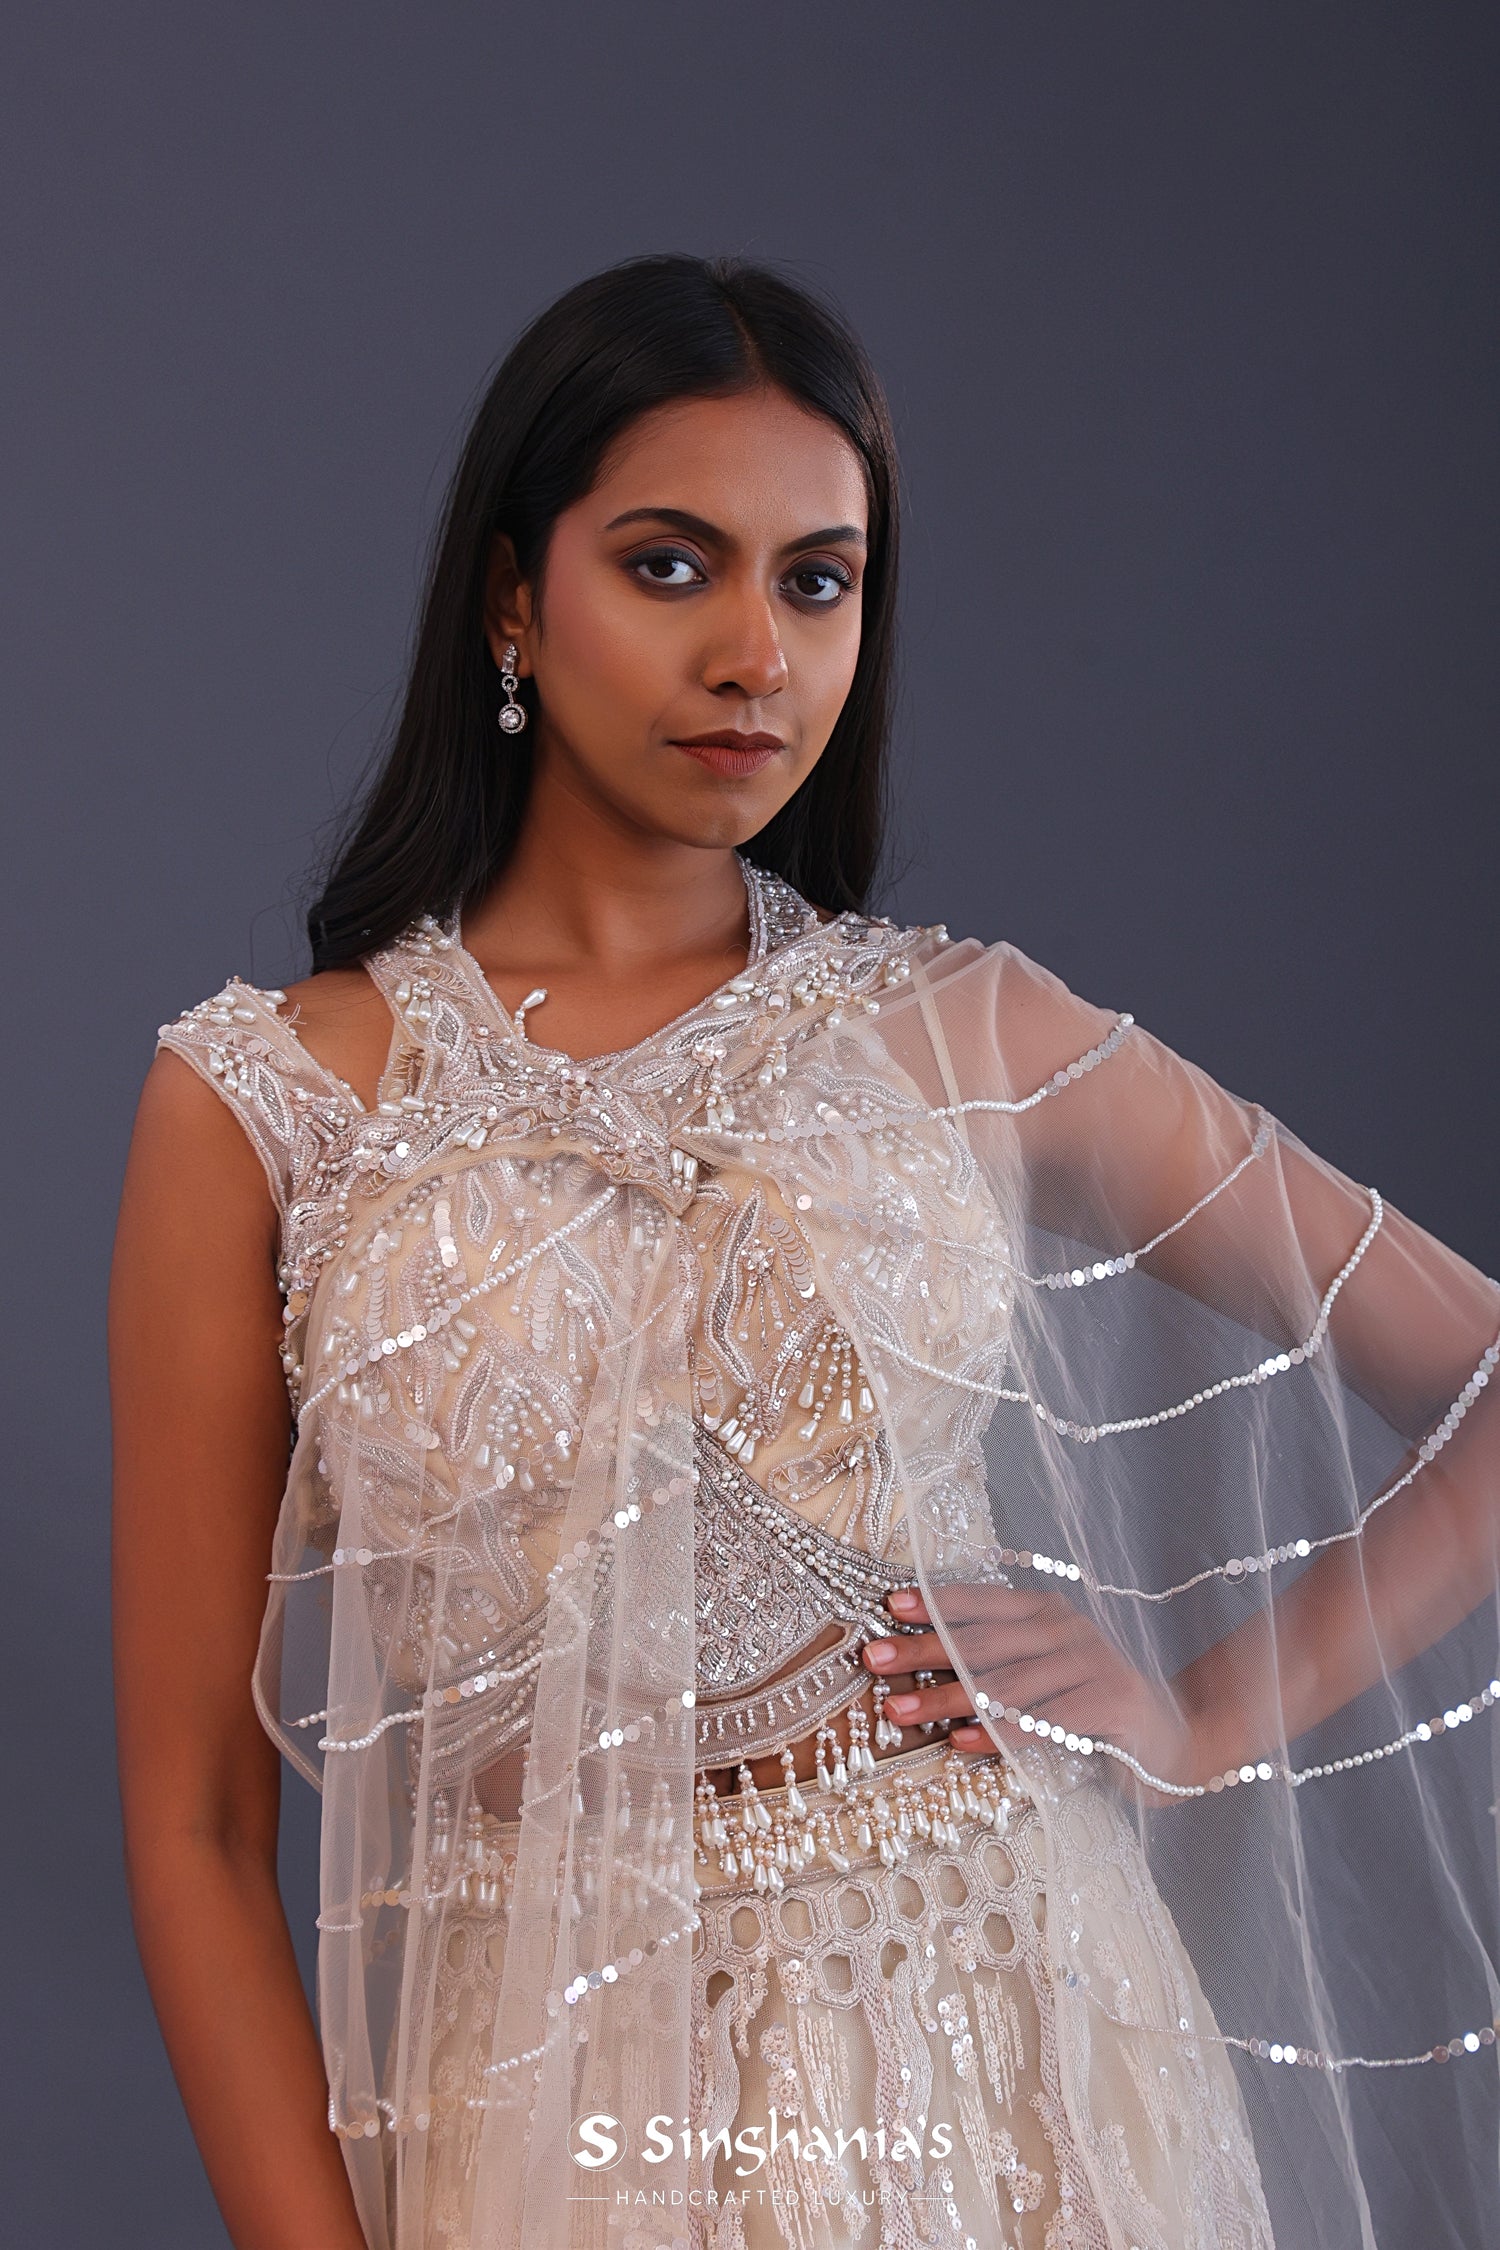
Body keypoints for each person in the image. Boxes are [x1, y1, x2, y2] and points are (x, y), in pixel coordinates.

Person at [111, 253, 1500, 2250]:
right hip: (558, 2106)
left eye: (819, 581)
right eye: (671, 566)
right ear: (513, 599)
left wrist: (1198, 1718)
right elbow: (193, 1820)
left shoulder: (962, 1030)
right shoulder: (272, 1103)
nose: (755, 653)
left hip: (1003, 2039)